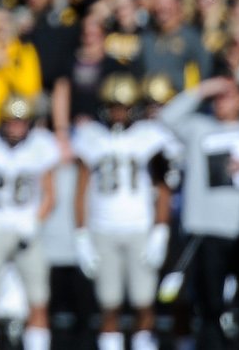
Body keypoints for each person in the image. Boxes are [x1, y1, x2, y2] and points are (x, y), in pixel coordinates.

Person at [159, 76, 239, 349]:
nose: (221, 101)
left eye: (228, 95)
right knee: (208, 305)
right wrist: (203, 89)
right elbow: (167, 117)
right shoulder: (198, 127)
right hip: (205, 229)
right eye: (217, 97)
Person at [72, 72, 174, 350]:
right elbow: (80, 189)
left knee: (144, 302)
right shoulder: (91, 135)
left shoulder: (149, 136)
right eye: (114, 106)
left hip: (139, 227)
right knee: (109, 304)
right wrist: (81, 234)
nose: (118, 113)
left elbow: (162, 187)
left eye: (124, 107)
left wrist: (161, 230)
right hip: (103, 229)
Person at [0, 92, 59, 350]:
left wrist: (36, 221)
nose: (15, 127)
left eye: (21, 121)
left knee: (38, 301)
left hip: (26, 229)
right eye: (10, 121)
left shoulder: (41, 144)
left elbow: (50, 195)